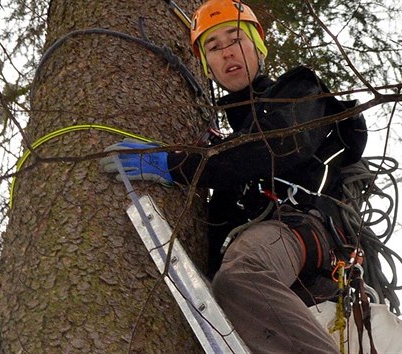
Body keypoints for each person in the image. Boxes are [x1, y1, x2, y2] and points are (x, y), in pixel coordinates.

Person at [100, 0, 367, 352]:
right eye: (214, 47)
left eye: (236, 38)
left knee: (241, 277)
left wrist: (175, 164)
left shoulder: (298, 91)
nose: (227, 52)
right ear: (206, 66)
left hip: (297, 227)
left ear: (258, 45)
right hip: (275, 263)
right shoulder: (231, 151)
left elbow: (275, 146)